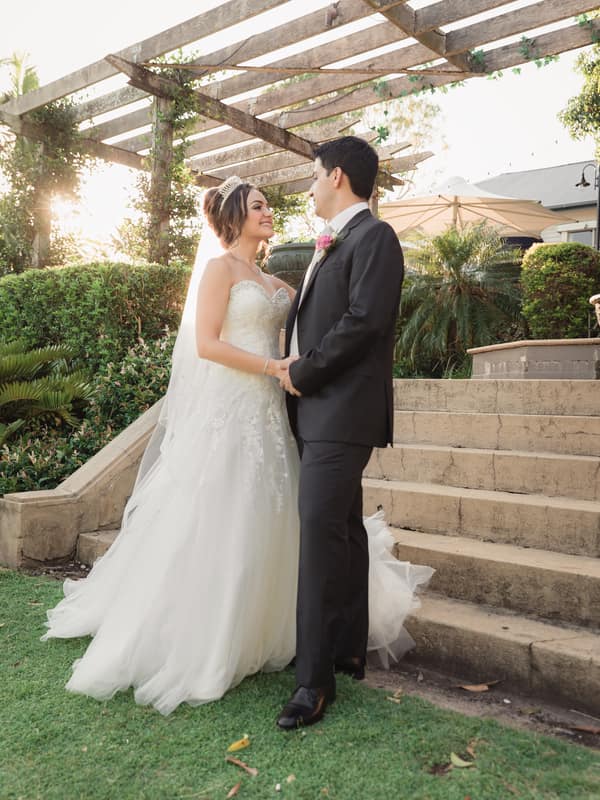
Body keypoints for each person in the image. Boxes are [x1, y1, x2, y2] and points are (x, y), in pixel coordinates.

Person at [42, 168, 432, 718]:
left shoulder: (280, 283)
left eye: (268, 204)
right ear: (232, 218)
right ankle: (211, 631)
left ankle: (283, 631)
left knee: (279, 520)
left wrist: (302, 371)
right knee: (221, 516)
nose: (268, 212)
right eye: (257, 206)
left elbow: (315, 333)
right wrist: (272, 364)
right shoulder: (218, 271)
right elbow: (206, 344)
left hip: (278, 414)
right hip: (233, 407)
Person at [277, 136, 407, 730]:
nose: (307, 186)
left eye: (312, 175)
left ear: (336, 176)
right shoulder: (332, 242)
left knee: (319, 536)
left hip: (341, 410)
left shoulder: (375, 237)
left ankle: (313, 682)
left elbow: (363, 322)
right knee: (344, 531)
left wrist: (303, 369)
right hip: (317, 411)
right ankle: (348, 646)